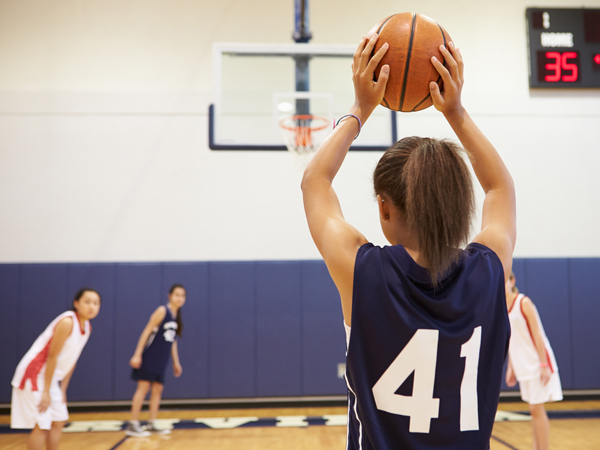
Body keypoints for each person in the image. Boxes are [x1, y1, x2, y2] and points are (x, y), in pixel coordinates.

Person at [301, 33, 516, 449]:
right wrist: (455, 111)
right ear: (458, 203)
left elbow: (315, 182)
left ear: (385, 208)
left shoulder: (362, 272)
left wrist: (361, 108)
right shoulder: (489, 272)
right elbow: (500, 189)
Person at [11, 288, 101, 450]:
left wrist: (63, 389)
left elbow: (71, 360)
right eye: (87, 302)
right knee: (42, 424)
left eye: (95, 303)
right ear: (76, 303)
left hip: (51, 379)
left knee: (58, 421)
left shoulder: (87, 327)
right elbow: (51, 356)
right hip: (34, 374)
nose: (91, 306)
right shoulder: (67, 322)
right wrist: (46, 390)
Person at [505, 272, 562, 450]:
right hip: (523, 365)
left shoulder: (524, 302)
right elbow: (511, 341)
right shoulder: (501, 307)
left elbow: (538, 335)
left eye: (505, 280)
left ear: (512, 281)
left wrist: (544, 365)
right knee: (533, 410)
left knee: (537, 409)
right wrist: (510, 368)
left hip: (538, 363)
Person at [125, 284, 185, 437]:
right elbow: (146, 330)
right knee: (143, 388)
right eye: (177, 295)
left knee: (157, 390)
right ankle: (133, 423)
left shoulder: (175, 315)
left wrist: (175, 362)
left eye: (183, 295)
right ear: (169, 296)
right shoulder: (162, 311)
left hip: (161, 358)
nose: (180, 298)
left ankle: (151, 423)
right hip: (150, 355)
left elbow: (173, 340)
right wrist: (137, 354)